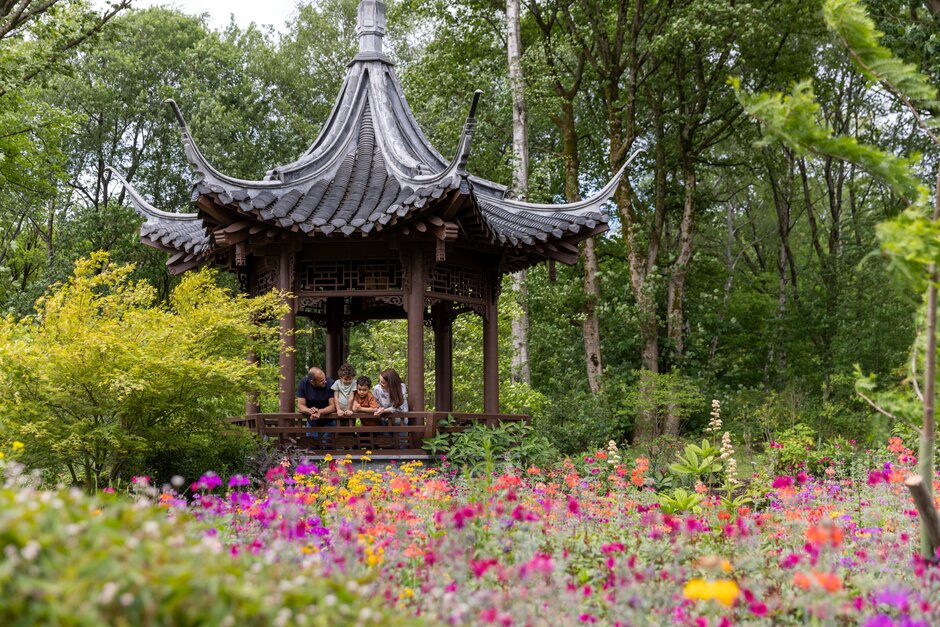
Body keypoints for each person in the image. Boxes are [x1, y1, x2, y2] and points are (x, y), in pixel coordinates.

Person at [296, 367, 336, 446]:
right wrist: (310, 411)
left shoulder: (330, 383)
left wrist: (319, 412)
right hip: (311, 422)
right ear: (312, 382)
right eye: (321, 381)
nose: (325, 381)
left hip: (328, 421)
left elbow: (333, 406)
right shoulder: (304, 383)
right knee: (312, 449)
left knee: (327, 449)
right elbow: (300, 406)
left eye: (325, 378)